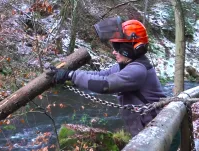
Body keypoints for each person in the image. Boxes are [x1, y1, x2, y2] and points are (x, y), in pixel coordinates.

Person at [49, 17, 180, 150]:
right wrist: (69, 74)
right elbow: (100, 76)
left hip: (163, 133)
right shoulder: (125, 66)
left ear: (132, 48)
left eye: (118, 47)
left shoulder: (138, 70)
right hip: (150, 131)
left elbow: (104, 85)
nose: (113, 51)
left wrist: (71, 75)